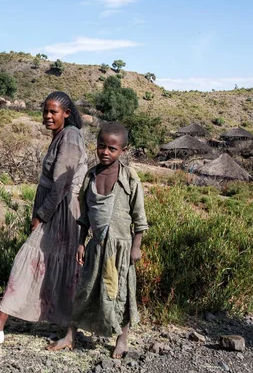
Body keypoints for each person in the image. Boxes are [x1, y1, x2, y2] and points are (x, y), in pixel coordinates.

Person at [0, 91, 88, 345]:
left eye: (53, 111)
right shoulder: (62, 136)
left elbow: (62, 184)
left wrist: (42, 215)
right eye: (45, 111)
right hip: (56, 209)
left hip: (62, 211)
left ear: (66, 113)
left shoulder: (71, 136)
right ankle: (66, 330)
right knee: (57, 265)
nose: (47, 116)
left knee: (28, 260)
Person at [46, 122, 148, 358]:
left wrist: (136, 246)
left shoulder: (130, 178)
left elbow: (139, 218)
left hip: (119, 250)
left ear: (122, 150)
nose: (105, 152)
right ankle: (70, 336)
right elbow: (84, 217)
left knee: (119, 294)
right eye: (101, 146)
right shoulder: (90, 176)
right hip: (95, 247)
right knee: (83, 291)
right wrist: (82, 242)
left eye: (112, 149)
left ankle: (122, 339)